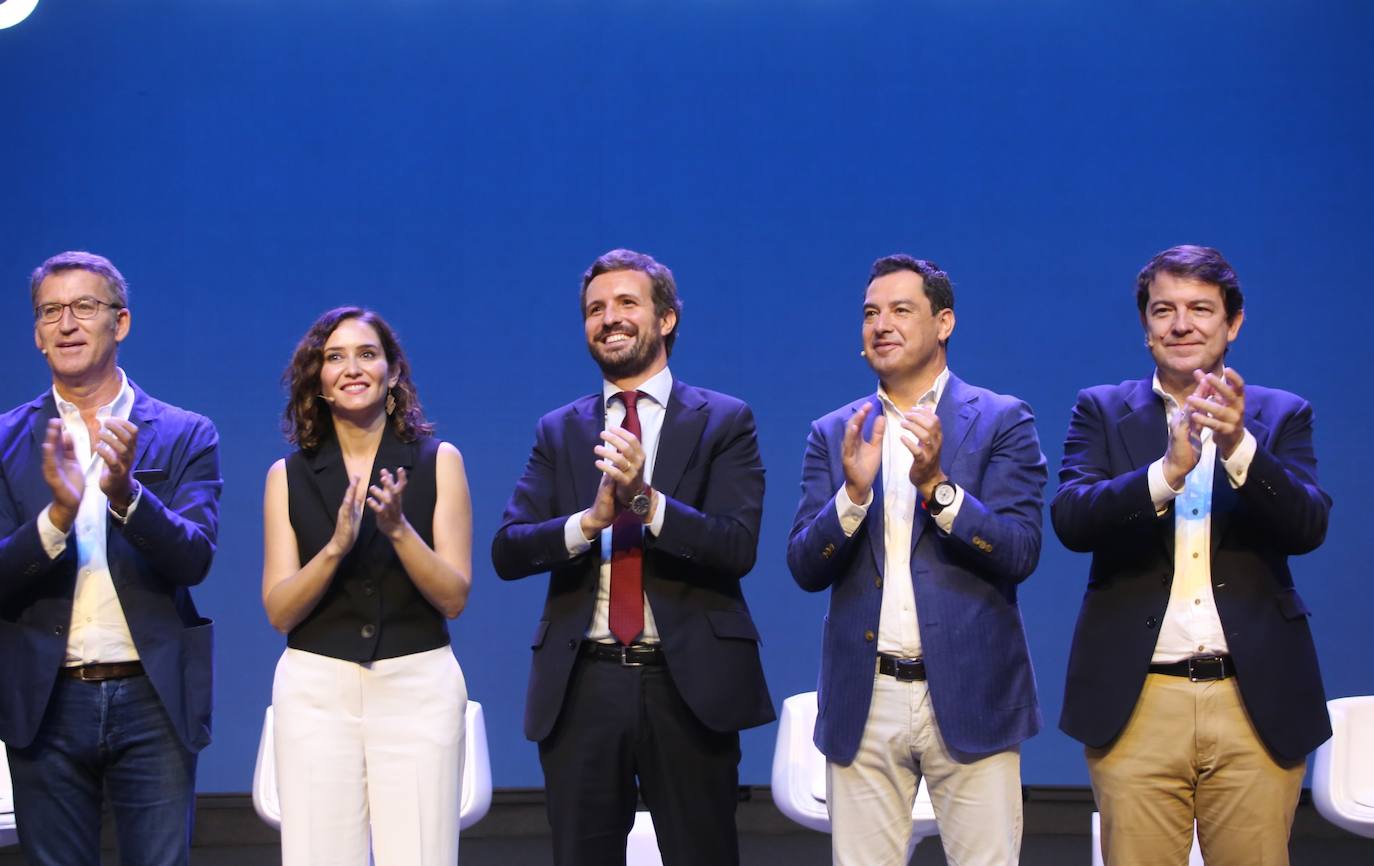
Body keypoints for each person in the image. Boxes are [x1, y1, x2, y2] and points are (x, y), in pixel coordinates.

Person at [491, 248, 773, 866]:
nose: (608, 318)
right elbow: (508, 551)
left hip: (687, 682)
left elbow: (735, 545)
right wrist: (589, 522)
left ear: (666, 319)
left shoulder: (724, 421)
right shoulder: (559, 430)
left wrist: (645, 502)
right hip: (583, 682)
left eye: (626, 303)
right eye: (595, 309)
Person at [1053, 245, 1332, 866]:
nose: (1181, 324)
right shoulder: (1101, 409)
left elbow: (1308, 524)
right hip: (1139, 699)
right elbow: (1072, 518)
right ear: (1146, 327)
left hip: (1253, 701)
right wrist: (1165, 472)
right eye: (1163, 310)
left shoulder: (1281, 415)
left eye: (1200, 309)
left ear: (1232, 323)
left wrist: (1238, 446)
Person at [787, 254, 1046, 866]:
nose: (882, 324)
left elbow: (1019, 550)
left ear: (944, 322)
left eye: (902, 310)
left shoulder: (1002, 420)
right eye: (871, 313)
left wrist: (939, 489)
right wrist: (852, 498)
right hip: (865, 696)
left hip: (972, 692)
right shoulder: (835, 433)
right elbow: (804, 564)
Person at [0, 250, 222, 866]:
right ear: (38, 335)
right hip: (47, 701)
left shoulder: (184, 433)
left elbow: (194, 559)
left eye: (84, 308)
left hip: (151, 696)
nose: (67, 323)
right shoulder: (6, 439)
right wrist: (58, 518)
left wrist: (127, 496)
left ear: (119, 324)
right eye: (51, 312)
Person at [261, 306, 472, 865]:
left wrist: (399, 530)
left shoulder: (438, 462)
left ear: (392, 373)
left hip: (417, 684)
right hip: (315, 692)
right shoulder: (288, 475)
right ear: (319, 381)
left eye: (367, 354)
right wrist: (334, 547)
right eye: (334, 357)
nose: (352, 368)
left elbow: (454, 595)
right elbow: (279, 611)